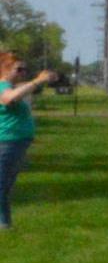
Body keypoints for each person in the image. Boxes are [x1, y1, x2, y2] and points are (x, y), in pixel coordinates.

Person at [0, 50, 57, 230]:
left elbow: (21, 90)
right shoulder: (3, 87)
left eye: (25, 69)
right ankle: (3, 224)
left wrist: (43, 80)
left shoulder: (11, 85)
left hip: (15, 142)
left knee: (5, 185)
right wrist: (36, 81)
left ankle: (4, 224)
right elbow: (10, 98)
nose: (23, 73)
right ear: (4, 69)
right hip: (6, 142)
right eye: (19, 69)